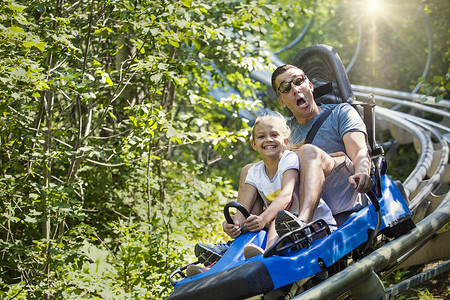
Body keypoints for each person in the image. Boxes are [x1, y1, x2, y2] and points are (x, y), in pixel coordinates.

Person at [195, 64, 373, 264]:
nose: (295, 89)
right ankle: (239, 237)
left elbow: (359, 150)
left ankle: (303, 224)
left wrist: (362, 171)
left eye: (298, 81)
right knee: (249, 170)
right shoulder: (284, 131)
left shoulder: (341, 112)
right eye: (286, 87)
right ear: (281, 100)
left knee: (306, 152)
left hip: (342, 191)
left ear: (309, 85)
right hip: (297, 198)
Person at [187, 113, 336, 276]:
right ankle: (215, 268)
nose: (268, 140)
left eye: (274, 135)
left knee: (276, 220)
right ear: (254, 144)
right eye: (261, 136)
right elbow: (244, 208)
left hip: (311, 223)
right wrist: (234, 225)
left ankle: (267, 258)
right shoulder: (254, 172)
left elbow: (287, 195)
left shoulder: (289, 159)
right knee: (251, 227)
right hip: (280, 222)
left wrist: (263, 218)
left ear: (285, 141)